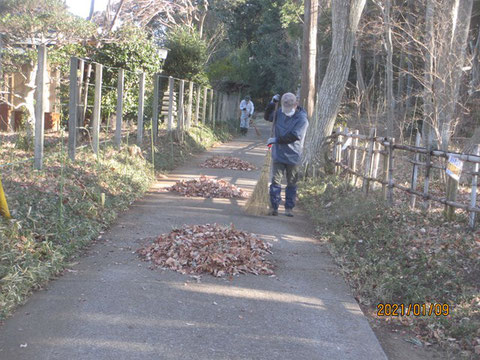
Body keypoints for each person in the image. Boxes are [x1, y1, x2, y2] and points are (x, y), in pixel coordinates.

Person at [264, 92, 309, 217]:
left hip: (294, 155)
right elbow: (268, 117)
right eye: (284, 109)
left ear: (296, 104)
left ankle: (289, 207)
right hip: (279, 153)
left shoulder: (301, 119)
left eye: (289, 109)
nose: (286, 111)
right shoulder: (280, 113)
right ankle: (274, 207)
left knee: (292, 182)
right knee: (276, 181)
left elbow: (295, 135)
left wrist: (276, 140)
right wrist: (272, 104)